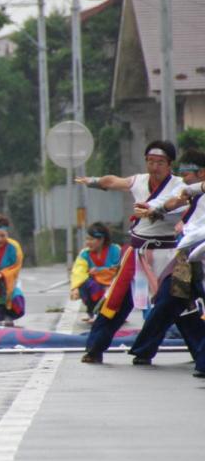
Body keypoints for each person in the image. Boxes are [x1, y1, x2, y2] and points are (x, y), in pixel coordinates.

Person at [75, 140, 185, 364]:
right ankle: (95, 348)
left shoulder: (180, 185)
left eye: (160, 162)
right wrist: (93, 181)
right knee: (115, 300)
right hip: (137, 253)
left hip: (168, 254)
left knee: (177, 303)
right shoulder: (139, 181)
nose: (154, 167)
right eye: (150, 161)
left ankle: (149, 351)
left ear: (170, 164)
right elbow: (114, 181)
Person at [127, 174, 205, 370]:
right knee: (170, 300)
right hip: (188, 256)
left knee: (178, 302)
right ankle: (144, 350)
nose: (185, 176)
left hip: (196, 253)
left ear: (201, 172)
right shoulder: (189, 191)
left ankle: (201, 357)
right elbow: (171, 201)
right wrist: (154, 208)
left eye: (190, 172)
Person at [69, 224, 121, 323]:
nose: (88, 242)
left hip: (112, 284)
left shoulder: (115, 250)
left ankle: (113, 313)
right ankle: (93, 313)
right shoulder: (85, 254)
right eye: (87, 239)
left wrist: (99, 271)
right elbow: (78, 272)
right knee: (86, 284)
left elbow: (118, 268)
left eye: (92, 239)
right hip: (96, 286)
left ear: (102, 239)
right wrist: (75, 288)